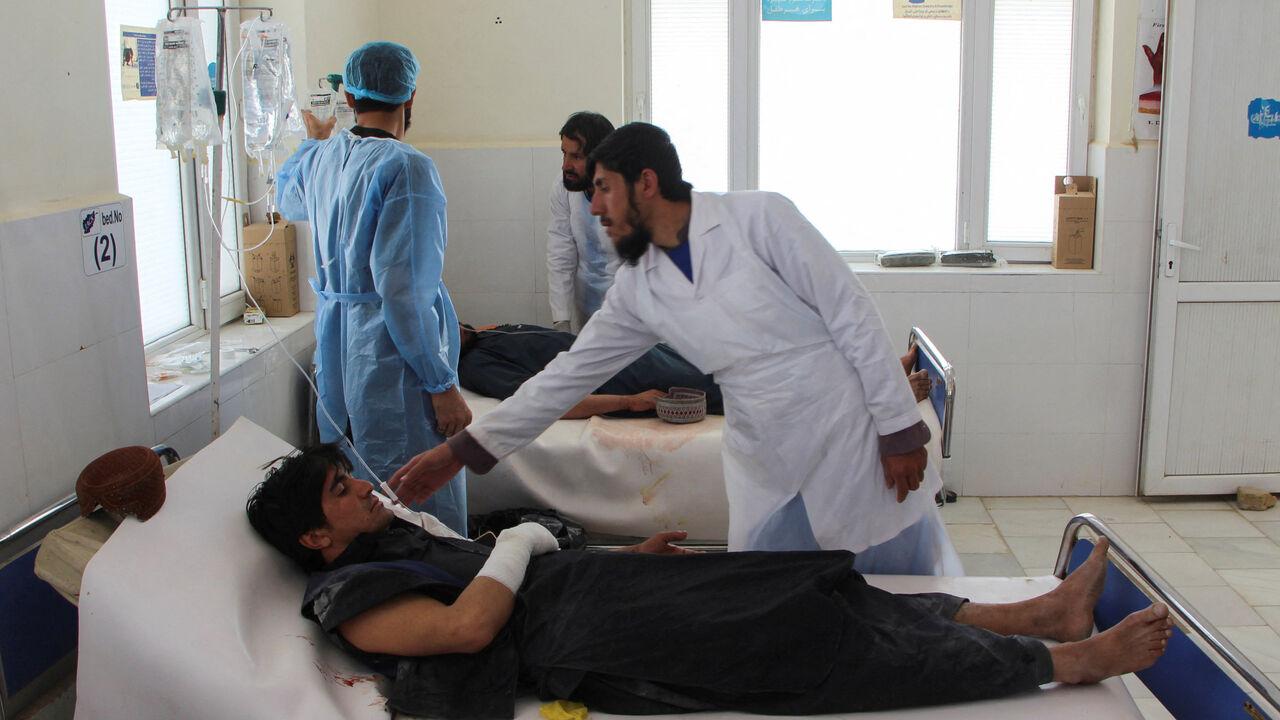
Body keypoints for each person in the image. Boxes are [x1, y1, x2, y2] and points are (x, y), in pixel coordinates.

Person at [391, 123, 958, 574]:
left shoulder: (760, 218)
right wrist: (459, 452)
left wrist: (898, 428)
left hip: (848, 435)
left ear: (645, 182)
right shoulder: (639, 287)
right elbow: (564, 377)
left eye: (603, 189)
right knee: (780, 598)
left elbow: (851, 312)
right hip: (767, 455)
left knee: (901, 586)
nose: (594, 208)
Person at [246, 445, 1172, 720]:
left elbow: (510, 578)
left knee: (814, 585)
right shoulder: (351, 600)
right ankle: (1060, 664)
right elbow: (467, 632)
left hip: (599, 596)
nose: (367, 489)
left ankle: (1032, 611)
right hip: (591, 647)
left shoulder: (395, 541)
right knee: (816, 648)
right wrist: (526, 537)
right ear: (315, 536)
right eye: (345, 491)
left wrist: (606, 562)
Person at [275, 41, 470, 534]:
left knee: (353, 487)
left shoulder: (324, 157)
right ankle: (437, 590)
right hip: (389, 355)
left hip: (337, 345)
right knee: (412, 494)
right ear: (410, 97)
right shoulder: (407, 168)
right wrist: (441, 383)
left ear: (348, 94)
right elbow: (403, 292)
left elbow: (288, 200)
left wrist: (315, 139)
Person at [458, 322, 723, 418]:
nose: (453, 322)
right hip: (618, 376)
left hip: (622, 353)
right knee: (721, 385)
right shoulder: (476, 364)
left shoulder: (480, 335)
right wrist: (628, 402)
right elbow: (542, 401)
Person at [547, 112, 619, 332]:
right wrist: (561, 319)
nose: (565, 166)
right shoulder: (563, 188)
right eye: (564, 154)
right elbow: (560, 255)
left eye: (576, 157)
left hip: (629, 306)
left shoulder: (627, 192)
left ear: (601, 158)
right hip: (586, 302)